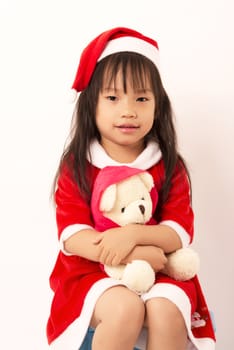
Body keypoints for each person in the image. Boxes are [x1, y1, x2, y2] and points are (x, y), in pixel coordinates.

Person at [46, 27, 216, 350]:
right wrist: (137, 254)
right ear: (91, 104)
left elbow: (177, 232)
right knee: (124, 309)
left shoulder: (168, 164)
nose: (128, 110)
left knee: (167, 311)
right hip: (92, 271)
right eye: (113, 97)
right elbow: (73, 236)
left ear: (157, 105)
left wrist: (133, 237)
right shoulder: (78, 164)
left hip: (160, 269)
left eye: (141, 98)